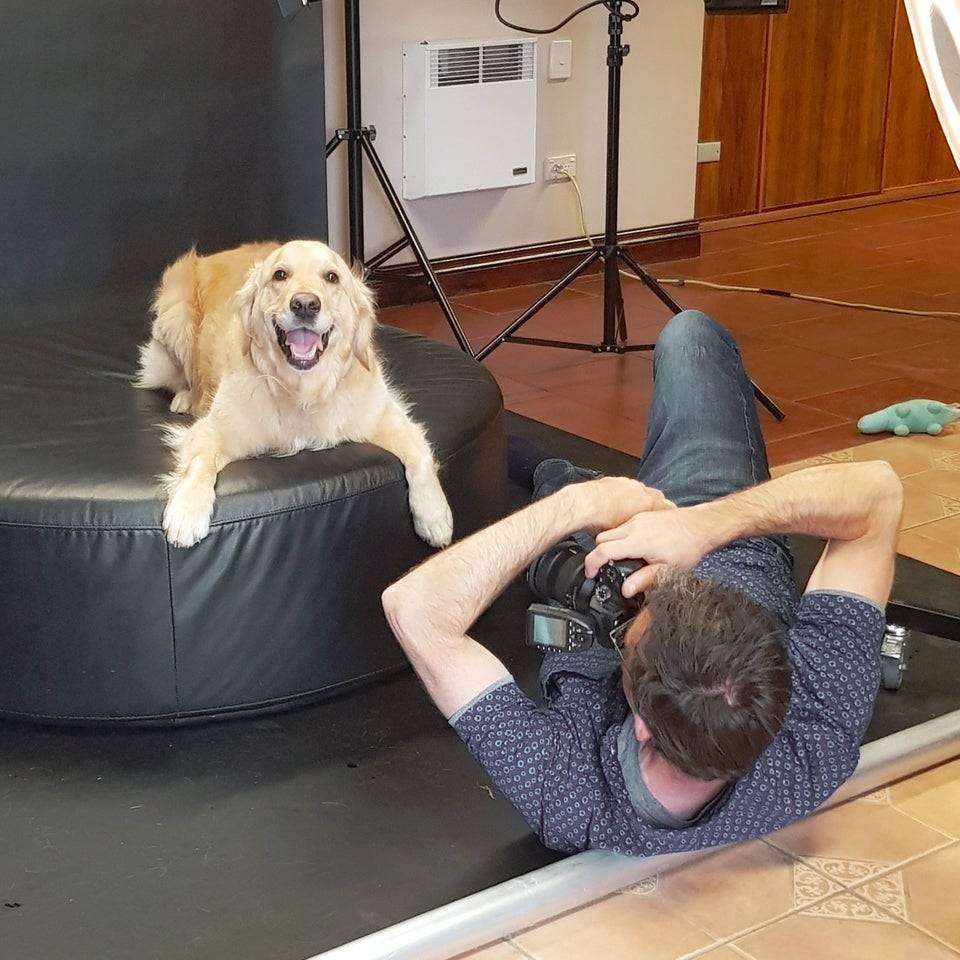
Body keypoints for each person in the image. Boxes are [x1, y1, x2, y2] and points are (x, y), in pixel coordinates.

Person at [381, 311, 902, 856]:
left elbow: (413, 608)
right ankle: (570, 486)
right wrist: (703, 527)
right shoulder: (812, 744)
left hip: (588, 564)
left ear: (642, 724)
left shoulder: (572, 794)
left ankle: (560, 480)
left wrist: (580, 505)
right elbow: (878, 493)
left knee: (538, 520)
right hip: (714, 515)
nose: (653, 594)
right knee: (691, 334)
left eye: (636, 627)